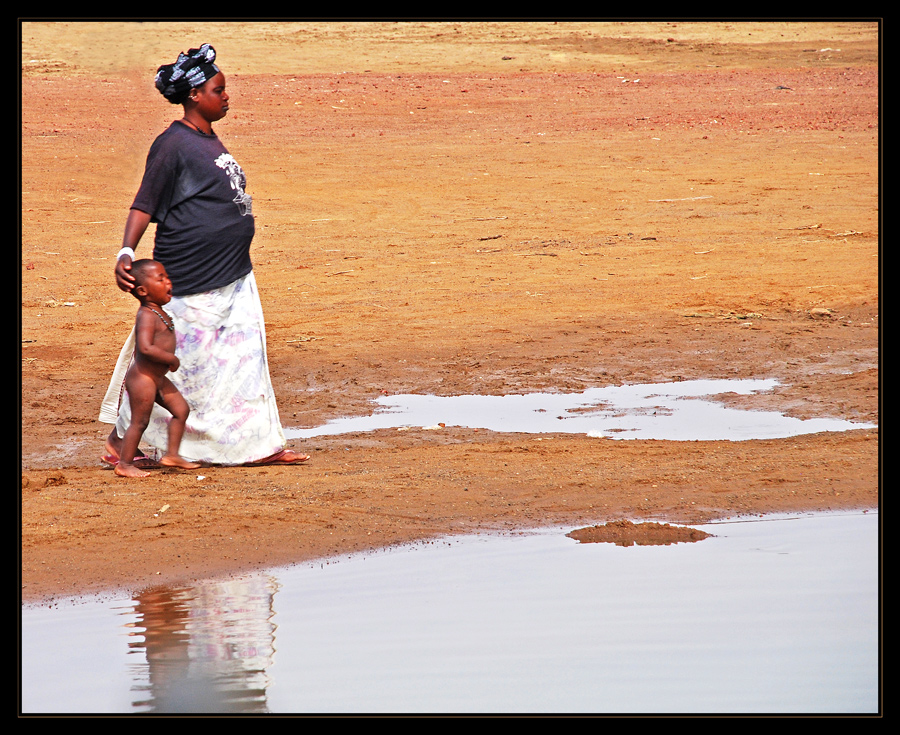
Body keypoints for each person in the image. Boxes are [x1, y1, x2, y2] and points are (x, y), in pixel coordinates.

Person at [99, 44, 309, 467]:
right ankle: (123, 441)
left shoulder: (207, 140)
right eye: (219, 89)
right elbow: (145, 203)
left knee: (244, 361)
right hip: (190, 277)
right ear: (195, 95)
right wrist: (126, 249)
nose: (226, 96)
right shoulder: (172, 144)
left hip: (232, 274)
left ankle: (254, 445)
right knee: (175, 365)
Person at [115, 259, 202, 478]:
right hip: (143, 379)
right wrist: (170, 359)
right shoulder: (146, 315)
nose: (167, 282)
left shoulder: (159, 311)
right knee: (140, 421)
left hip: (157, 378)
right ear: (143, 290)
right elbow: (144, 348)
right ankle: (124, 464)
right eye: (160, 279)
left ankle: (172, 454)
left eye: (167, 277)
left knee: (181, 410)